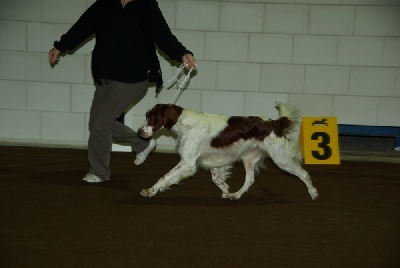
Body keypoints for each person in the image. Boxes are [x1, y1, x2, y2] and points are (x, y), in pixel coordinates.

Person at [49, 0, 196, 183]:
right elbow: (83, 26)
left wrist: (183, 53)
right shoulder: (104, 4)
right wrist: (60, 46)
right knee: (98, 123)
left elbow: (163, 36)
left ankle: (99, 172)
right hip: (105, 76)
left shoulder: (147, 7)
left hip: (133, 78)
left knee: (100, 125)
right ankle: (142, 143)